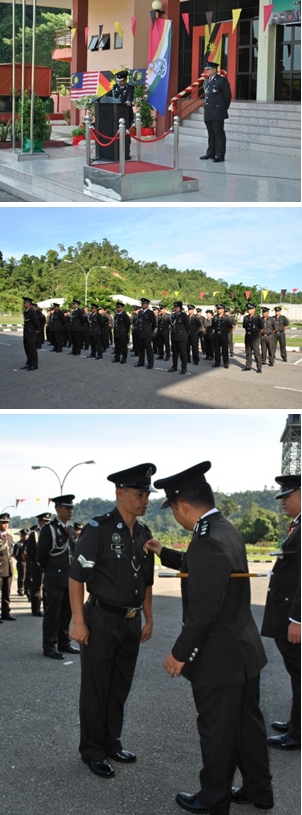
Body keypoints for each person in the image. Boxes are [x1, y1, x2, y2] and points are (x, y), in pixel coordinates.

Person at [146, 462, 274, 815]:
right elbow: (202, 566)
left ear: (182, 506)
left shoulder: (207, 540)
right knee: (247, 725)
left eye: (172, 510)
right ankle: (259, 790)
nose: (175, 516)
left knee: (217, 731)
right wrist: (162, 551)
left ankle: (213, 799)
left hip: (220, 659)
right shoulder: (225, 529)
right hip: (244, 651)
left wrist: (179, 653)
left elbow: (203, 611)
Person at [68, 463, 156, 779]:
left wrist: (149, 618)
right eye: (138, 493)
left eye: (147, 493)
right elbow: (76, 577)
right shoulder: (98, 529)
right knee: (96, 687)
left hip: (130, 622)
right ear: (119, 493)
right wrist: (78, 621)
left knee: (119, 685)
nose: (144, 499)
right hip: (101, 618)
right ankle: (92, 750)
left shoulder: (144, 533)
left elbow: (146, 580)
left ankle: (111, 742)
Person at [261, 473, 301, 750]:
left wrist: (298, 619)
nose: (282, 502)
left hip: (294, 617)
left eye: (287, 496)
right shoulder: (298, 526)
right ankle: (295, 723)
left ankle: (297, 734)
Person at [36, 495, 79, 659]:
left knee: (66, 612)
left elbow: (73, 553)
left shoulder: (71, 530)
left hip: (69, 579)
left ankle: (64, 642)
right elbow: (41, 555)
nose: (70, 511)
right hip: (54, 578)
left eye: (71, 508)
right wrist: (51, 570)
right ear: (57, 509)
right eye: (67, 508)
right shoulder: (49, 529)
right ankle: (49, 646)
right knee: (53, 613)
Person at [199, 62, 231, 163]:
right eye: (206, 70)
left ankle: (220, 155)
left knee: (219, 133)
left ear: (214, 70)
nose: (206, 71)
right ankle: (210, 153)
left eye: (208, 69)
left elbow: (227, 97)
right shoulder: (206, 81)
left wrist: (222, 109)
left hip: (218, 111)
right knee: (211, 133)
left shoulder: (221, 81)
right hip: (208, 111)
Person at [26, 511, 52, 617]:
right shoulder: (34, 533)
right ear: (39, 522)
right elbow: (29, 550)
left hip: (48, 564)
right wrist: (35, 561)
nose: (46, 523)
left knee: (47, 588)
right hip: (37, 564)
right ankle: (36, 610)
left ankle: (47, 608)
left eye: (48, 521)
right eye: (44, 521)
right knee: (36, 588)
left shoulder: (51, 532)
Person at [0, 513, 16, 621]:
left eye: (7, 523)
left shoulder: (9, 537)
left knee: (7, 592)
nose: (5, 525)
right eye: (3, 523)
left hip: (8, 569)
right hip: (0, 569)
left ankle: (5, 613)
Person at [168, 301, 190, 375]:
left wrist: (184, 335)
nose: (176, 309)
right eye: (175, 307)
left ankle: (184, 368)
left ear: (180, 308)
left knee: (183, 354)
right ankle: (174, 367)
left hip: (182, 338)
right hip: (174, 337)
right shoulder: (173, 316)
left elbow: (188, 327)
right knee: (174, 354)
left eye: (177, 307)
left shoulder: (184, 316)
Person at [135, 298, 156, 369]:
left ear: (147, 304)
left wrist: (149, 330)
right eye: (142, 304)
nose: (142, 305)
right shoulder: (140, 313)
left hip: (147, 334)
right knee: (141, 349)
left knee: (149, 349)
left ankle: (150, 363)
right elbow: (138, 322)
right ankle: (140, 362)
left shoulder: (150, 313)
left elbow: (154, 323)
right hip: (140, 333)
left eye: (144, 304)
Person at [242, 303, 264, 374]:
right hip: (247, 335)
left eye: (250, 309)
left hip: (255, 336)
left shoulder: (258, 318)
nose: (249, 310)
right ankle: (248, 366)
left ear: (254, 309)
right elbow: (244, 326)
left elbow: (262, 328)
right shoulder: (246, 318)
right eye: (248, 309)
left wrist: (257, 334)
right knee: (248, 352)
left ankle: (259, 367)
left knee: (256, 352)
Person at [21, 296, 40, 371]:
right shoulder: (26, 312)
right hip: (26, 334)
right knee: (27, 349)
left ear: (28, 303)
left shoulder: (32, 312)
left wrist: (36, 331)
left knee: (32, 350)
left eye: (25, 303)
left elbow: (36, 323)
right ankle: (29, 363)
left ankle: (34, 364)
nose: (23, 304)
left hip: (31, 333)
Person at [212, 303, 232, 368]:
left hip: (223, 334)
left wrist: (225, 332)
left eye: (220, 309)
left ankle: (226, 363)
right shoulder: (215, 317)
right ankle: (217, 362)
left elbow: (230, 327)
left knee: (224, 350)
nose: (218, 310)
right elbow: (213, 326)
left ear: (223, 309)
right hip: (216, 334)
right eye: (218, 309)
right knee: (216, 350)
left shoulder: (226, 318)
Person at [13, 528, 29, 596]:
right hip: (21, 562)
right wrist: (20, 560)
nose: (25, 536)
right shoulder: (18, 544)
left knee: (28, 577)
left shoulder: (29, 543)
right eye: (23, 535)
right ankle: (20, 589)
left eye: (26, 535)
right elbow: (15, 555)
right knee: (22, 576)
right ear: (21, 535)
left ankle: (27, 589)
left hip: (28, 562)